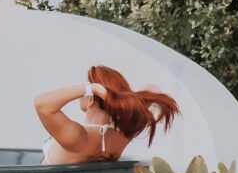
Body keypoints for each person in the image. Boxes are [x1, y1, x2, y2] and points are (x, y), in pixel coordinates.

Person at [34, 65, 181, 165]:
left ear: (91, 98)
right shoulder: (122, 135)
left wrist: (93, 88)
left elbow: (41, 104)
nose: (82, 93)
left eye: (84, 89)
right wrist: (124, 99)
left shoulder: (77, 137)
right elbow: (152, 88)